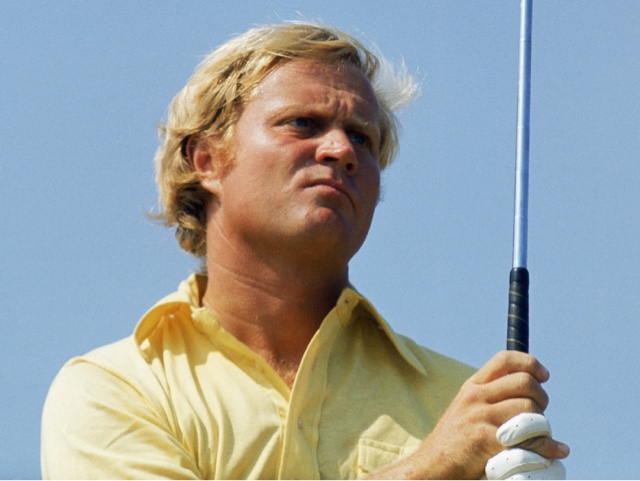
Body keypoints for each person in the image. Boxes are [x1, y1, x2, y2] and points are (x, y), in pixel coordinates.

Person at [41, 22, 569, 479]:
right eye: (303, 124)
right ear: (207, 160)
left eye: (362, 138)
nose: (341, 150)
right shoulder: (114, 389)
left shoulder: (473, 408)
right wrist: (429, 468)